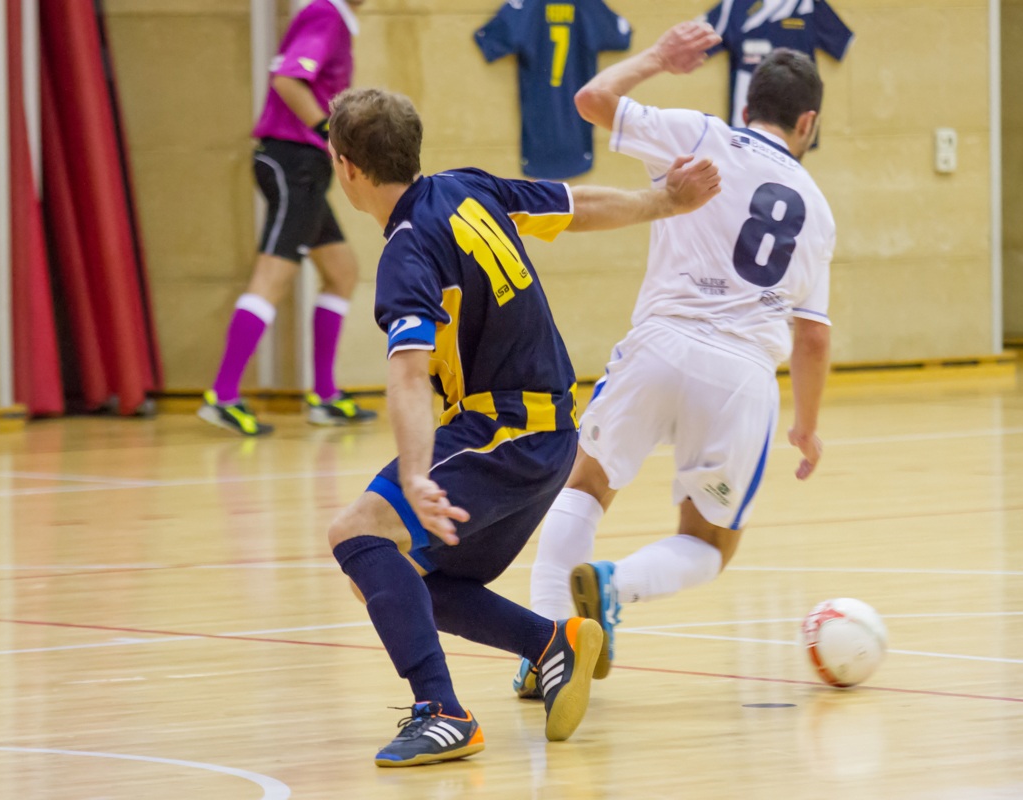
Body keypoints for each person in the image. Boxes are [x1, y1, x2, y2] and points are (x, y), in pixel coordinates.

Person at [324, 87, 720, 767]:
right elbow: (573, 205)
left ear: (346, 167)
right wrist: (662, 202)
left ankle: (442, 711)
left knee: (357, 535)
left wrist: (416, 473)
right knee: (392, 571)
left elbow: (409, 372)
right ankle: (550, 644)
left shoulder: (407, 254)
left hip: (503, 432)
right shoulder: (466, 189)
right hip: (548, 435)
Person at [516, 23, 836, 696]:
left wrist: (658, 59)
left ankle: (544, 651)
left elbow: (592, 99)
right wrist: (806, 426)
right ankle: (614, 584)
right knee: (708, 544)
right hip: (741, 379)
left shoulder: (701, 134)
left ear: (748, 105)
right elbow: (812, 337)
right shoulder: (818, 210)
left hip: (659, 346)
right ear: (807, 121)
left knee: (584, 487)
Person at [199, 0, 375, 436]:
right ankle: (222, 396)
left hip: (307, 170)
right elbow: (288, 81)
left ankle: (324, 395)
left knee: (342, 272)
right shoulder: (325, 14)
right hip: (291, 163)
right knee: (272, 277)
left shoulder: (338, 22)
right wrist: (332, 134)